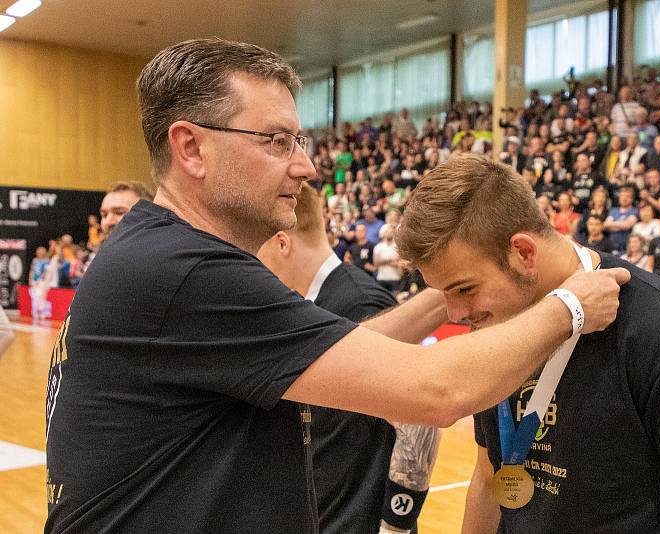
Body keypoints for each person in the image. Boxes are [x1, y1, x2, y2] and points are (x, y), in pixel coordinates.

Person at [45, 38, 627, 534]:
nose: (305, 166)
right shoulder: (189, 273)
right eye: (275, 140)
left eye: (298, 141)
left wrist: (454, 288)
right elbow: (436, 390)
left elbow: (347, 348)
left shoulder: (159, 255)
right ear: (191, 147)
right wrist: (572, 302)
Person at [395, 153, 660, 534]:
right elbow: (489, 477)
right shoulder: (497, 330)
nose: (454, 313)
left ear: (523, 252)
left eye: (464, 289)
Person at [258, 183, 438, 534]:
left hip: (360, 522)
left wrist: (395, 524)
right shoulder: (308, 304)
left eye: (254, 250)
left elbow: (418, 420)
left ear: (281, 242)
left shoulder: (360, 302)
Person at [603, 186, 639, 255]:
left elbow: (627, 225)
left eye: (627, 196)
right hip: (611, 248)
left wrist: (612, 224)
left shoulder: (634, 211)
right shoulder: (613, 210)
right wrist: (621, 225)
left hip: (626, 249)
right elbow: (605, 225)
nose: (624, 198)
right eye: (622, 196)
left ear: (632, 199)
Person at [373, 224, 403, 293]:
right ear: (383, 233)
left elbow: (399, 262)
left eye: (391, 231)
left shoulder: (398, 247)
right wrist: (391, 260)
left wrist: (383, 262)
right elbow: (376, 263)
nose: (390, 233)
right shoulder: (378, 247)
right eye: (387, 231)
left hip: (395, 278)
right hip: (381, 278)